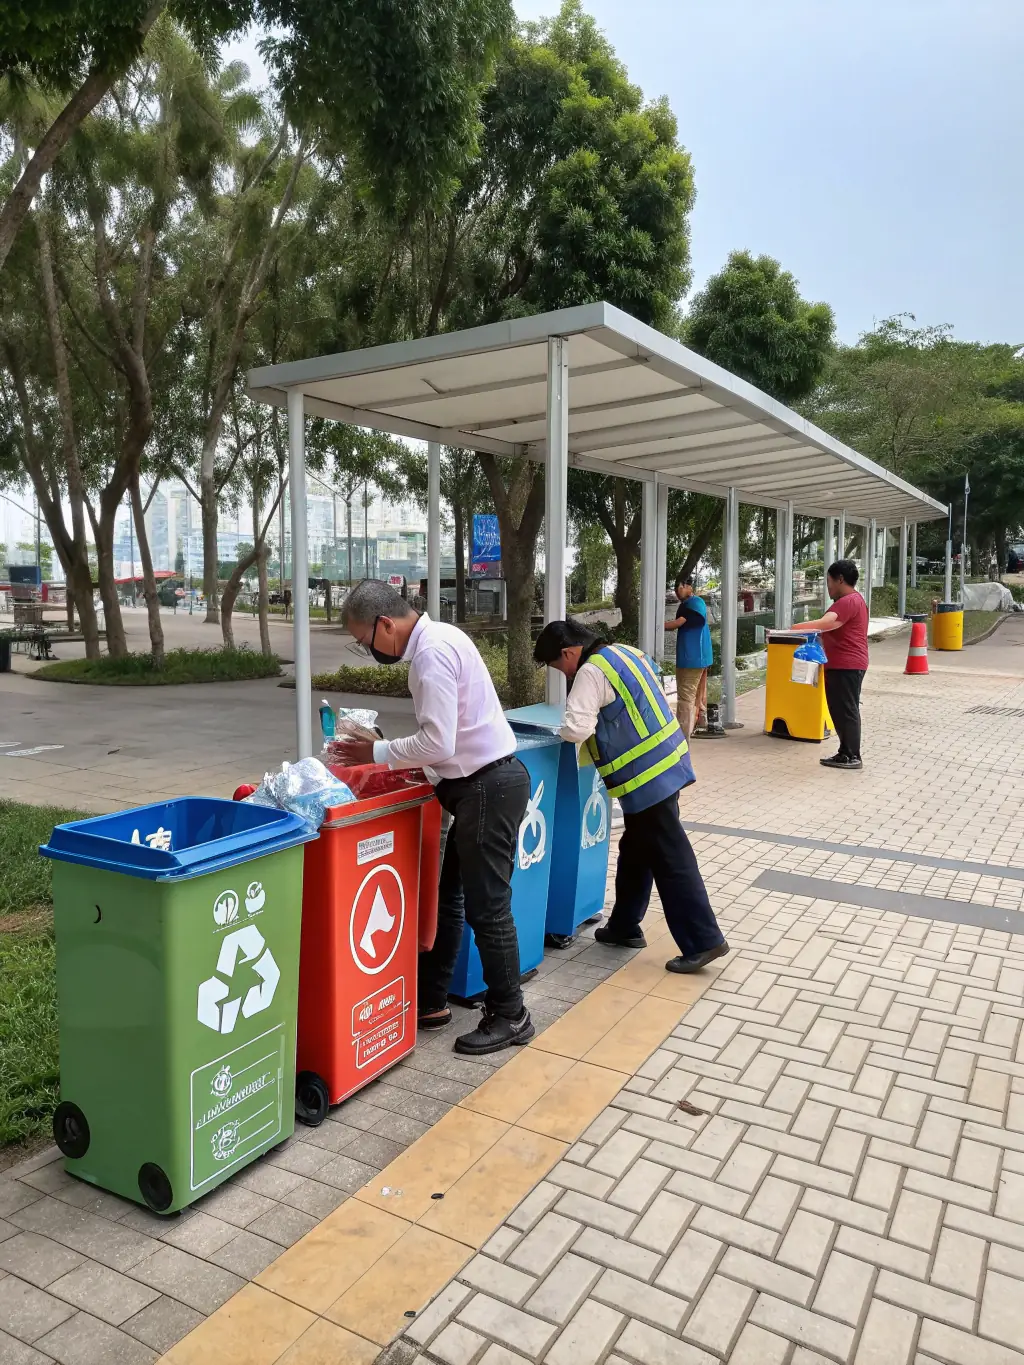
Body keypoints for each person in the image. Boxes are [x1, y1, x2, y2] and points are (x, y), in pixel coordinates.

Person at [336, 580, 534, 1055]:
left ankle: (511, 1014)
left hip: (485, 787)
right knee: (451, 899)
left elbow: (439, 742)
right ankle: (432, 999)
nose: (370, 651)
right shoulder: (444, 636)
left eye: (366, 642)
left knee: (488, 909)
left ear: (386, 624)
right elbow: (446, 735)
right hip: (481, 785)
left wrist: (375, 751)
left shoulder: (429, 655)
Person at [533, 619, 728, 974]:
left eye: (558, 667)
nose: (563, 674)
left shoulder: (591, 671)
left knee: (671, 857)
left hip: (646, 778)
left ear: (568, 652)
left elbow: (577, 728)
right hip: (668, 761)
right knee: (637, 849)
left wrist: (555, 731)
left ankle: (704, 940)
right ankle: (624, 926)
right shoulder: (626, 652)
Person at [790, 558, 869, 771]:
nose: (828, 587)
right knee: (839, 709)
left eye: (829, 581)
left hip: (848, 663)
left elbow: (827, 623)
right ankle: (845, 752)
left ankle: (852, 755)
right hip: (841, 663)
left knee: (847, 709)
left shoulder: (849, 601)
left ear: (840, 579)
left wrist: (795, 627)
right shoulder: (849, 601)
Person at [664, 575, 713, 738]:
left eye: (679, 588)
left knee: (685, 698)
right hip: (699, 657)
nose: (677, 593)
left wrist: (655, 625)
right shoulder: (697, 603)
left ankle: (682, 738)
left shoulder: (692, 604)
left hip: (692, 659)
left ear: (688, 587)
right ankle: (702, 722)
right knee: (698, 695)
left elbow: (678, 623)